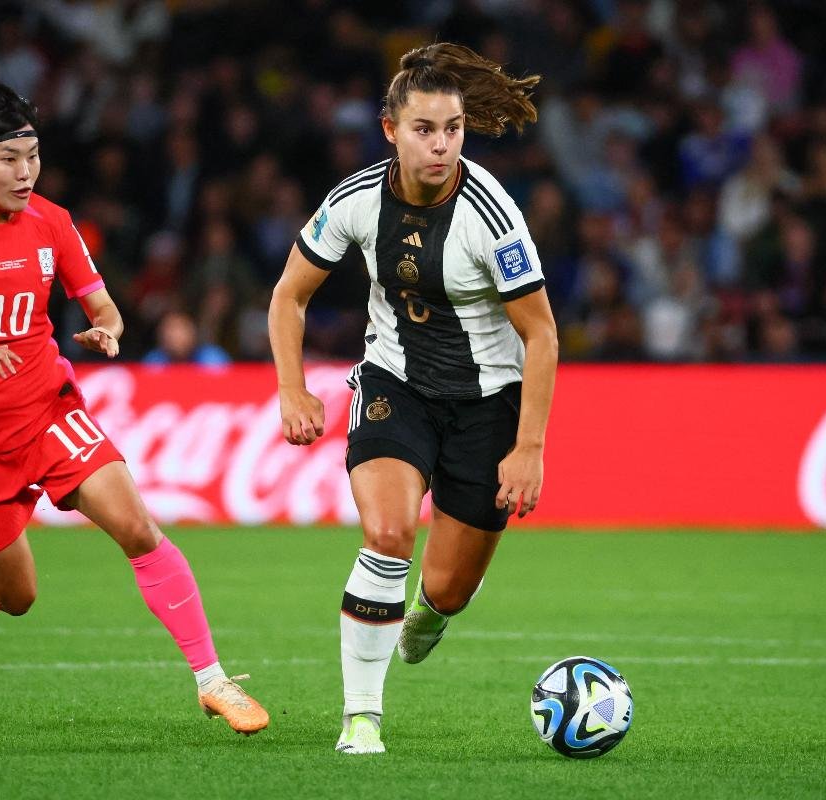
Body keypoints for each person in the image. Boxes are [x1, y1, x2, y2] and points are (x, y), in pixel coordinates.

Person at [0, 72, 268, 735]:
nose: (27, 173)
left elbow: (100, 302)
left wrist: (107, 326)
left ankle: (213, 680)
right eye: (9, 160)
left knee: (137, 526)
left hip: (47, 408)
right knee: (15, 601)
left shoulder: (52, 222)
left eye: (34, 156)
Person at [268, 43, 558, 754]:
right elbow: (288, 296)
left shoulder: (493, 217)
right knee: (389, 534)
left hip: (488, 403)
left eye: (453, 128)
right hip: (395, 384)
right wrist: (291, 387)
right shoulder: (355, 200)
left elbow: (543, 335)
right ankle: (361, 717)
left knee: (448, 590)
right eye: (426, 129)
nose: (442, 143)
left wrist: (528, 446)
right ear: (390, 129)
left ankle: (428, 615)